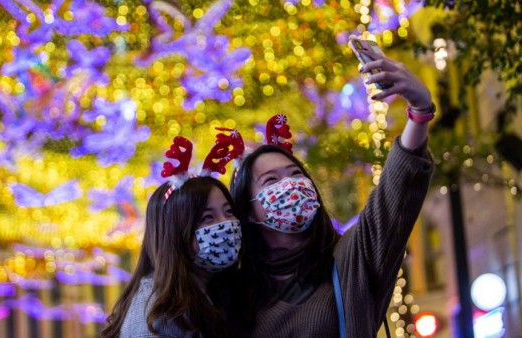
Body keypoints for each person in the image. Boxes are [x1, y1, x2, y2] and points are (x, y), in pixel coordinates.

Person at [229, 55, 435, 337]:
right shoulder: (232, 295)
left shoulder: (350, 260)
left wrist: (420, 111)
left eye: (295, 174)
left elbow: (393, 197)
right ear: (248, 211)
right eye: (271, 180)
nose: (289, 185)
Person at [102, 176, 242, 338]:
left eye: (228, 212)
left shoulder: (204, 290)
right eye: (207, 218)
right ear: (174, 232)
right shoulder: (158, 315)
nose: (226, 224)